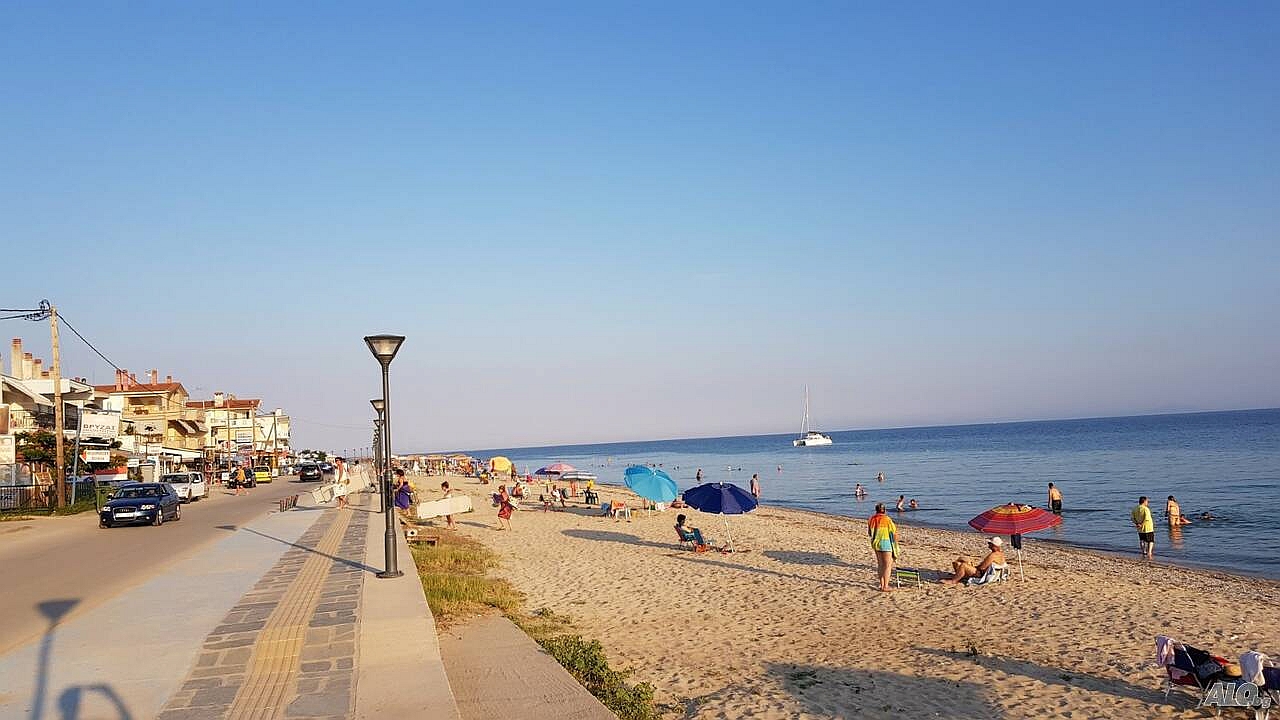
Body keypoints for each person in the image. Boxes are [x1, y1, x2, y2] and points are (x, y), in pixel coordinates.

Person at [941, 537, 1007, 585]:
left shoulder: (993, 555)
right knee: (960, 563)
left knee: (963, 565)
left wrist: (973, 566)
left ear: (993, 545)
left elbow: (982, 568)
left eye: (989, 543)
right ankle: (959, 576)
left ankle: (953, 581)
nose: (988, 545)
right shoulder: (1001, 554)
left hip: (981, 574)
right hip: (988, 573)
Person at [867, 503, 898, 592]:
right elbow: (893, 532)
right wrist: (895, 544)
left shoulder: (871, 519)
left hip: (876, 543)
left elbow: (870, 533)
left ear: (876, 510)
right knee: (887, 565)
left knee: (880, 564)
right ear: (884, 510)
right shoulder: (887, 519)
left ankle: (882, 585)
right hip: (886, 543)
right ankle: (885, 586)